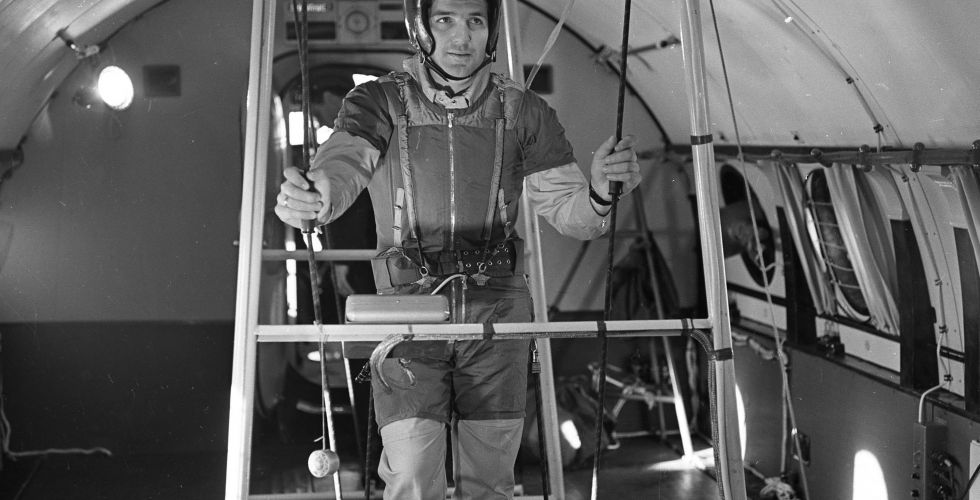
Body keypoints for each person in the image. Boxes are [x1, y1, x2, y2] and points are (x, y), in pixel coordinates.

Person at [274, 0, 641, 497]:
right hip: (407, 310)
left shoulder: (523, 110)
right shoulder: (378, 101)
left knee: (489, 478)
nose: (461, 37)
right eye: (444, 20)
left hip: (499, 308)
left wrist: (599, 193)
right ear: (420, 28)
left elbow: (570, 212)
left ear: (490, 31)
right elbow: (342, 166)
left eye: (475, 21)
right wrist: (314, 196)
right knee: (411, 469)